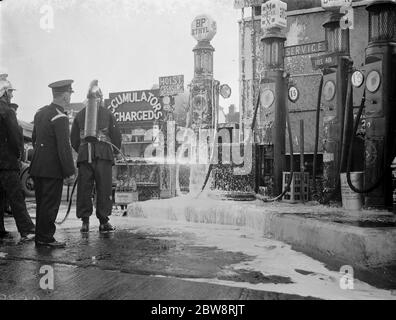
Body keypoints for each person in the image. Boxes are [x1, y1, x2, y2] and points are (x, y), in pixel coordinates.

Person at [29, 80, 76, 248]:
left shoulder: (40, 113)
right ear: (64, 96)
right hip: (51, 169)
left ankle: (40, 237)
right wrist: (70, 171)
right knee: (50, 205)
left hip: (37, 166)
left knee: (42, 204)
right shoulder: (60, 117)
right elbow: (64, 147)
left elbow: (35, 139)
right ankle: (46, 238)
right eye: (70, 93)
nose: (70, 97)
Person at [70, 80, 121, 234]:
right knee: (104, 188)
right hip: (104, 155)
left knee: (84, 188)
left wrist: (83, 151)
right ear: (101, 97)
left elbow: (73, 139)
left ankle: (85, 223)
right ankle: (103, 222)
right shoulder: (108, 113)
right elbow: (116, 136)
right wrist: (116, 152)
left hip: (85, 156)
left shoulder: (79, 114)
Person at [0, 74, 35, 241]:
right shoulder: (8, 111)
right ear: (4, 93)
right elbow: (15, 137)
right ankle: (26, 229)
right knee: (16, 197)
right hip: (7, 163)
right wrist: (19, 155)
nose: (12, 95)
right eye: (10, 92)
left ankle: (0, 230)